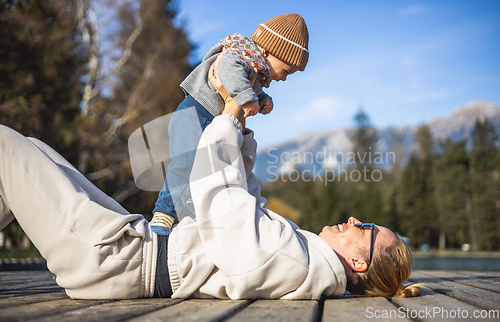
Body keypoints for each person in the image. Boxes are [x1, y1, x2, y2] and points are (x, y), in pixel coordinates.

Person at [0, 65, 421, 300]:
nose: (354, 219)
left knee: (6, 148)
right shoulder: (304, 257)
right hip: (133, 252)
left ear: (360, 263)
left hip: (117, 260)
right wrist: (243, 131)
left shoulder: (299, 262)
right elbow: (247, 200)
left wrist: (230, 116)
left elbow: (219, 200)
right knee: (30, 149)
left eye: (365, 229)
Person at [150, 13, 309, 236]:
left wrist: (262, 100)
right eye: (286, 71)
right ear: (268, 52)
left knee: (205, 172)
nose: (284, 78)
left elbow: (243, 85)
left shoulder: (254, 69)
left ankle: (189, 217)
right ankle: (163, 213)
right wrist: (248, 98)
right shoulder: (242, 53)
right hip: (194, 114)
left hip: (209, 119)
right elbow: (228, 71)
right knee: (183, 165)